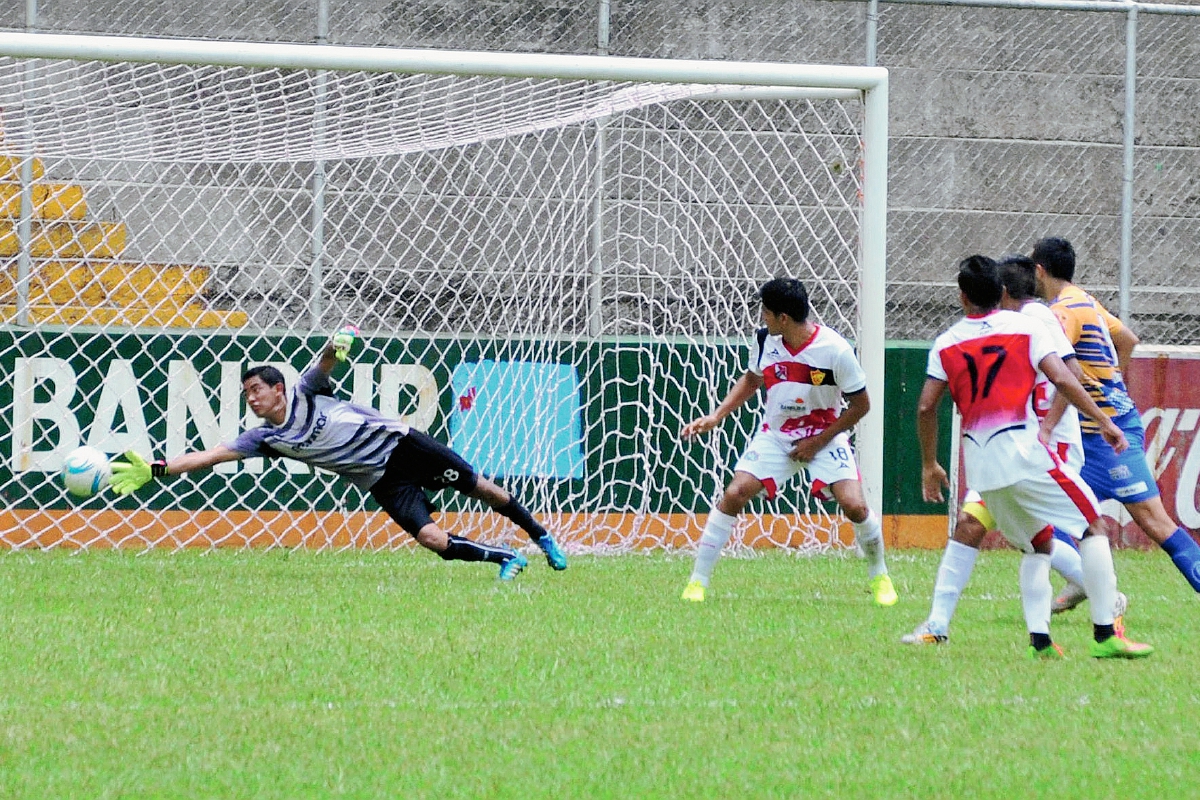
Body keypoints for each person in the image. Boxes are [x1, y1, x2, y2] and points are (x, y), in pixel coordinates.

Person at [108, 325, 568, 580]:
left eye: (255, 390)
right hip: (381, 480)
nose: (251, 398)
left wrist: (340, 339)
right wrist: (158, 468)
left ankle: (541, 536)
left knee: (482, 488)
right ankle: (505, 559)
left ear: (278, 389)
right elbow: (209, 456)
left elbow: (325, 358)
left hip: (402, 445)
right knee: (433, 541)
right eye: (246, 393)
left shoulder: (308, 390)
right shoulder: (264, 438)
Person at [919, 254, 1151, 659]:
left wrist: (929, 463)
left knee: (1036, 544)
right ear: (1000, 291)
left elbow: (925, 407)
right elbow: (1065, 376)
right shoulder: (1028, 325)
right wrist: (1105, 421)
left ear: (962, 296)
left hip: (981, 463)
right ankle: (1105, 633)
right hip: (1029, 450)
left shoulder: (947, 341)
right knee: (1093, 526)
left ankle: (1039, 642)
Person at [679, 277, 898, 606]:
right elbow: (753, 379)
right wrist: (716, 416)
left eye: (766, 312)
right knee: (735, 493)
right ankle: (698, 582)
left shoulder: (835, 350)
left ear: (784, 318)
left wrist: (818, 442)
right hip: (777, 436)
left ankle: (879, 575)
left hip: (825, 435)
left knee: (855, 506)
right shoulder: (766, 340)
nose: (762, 317)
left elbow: (861, 405)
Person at [1033, 236, 1200, 597]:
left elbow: (1067, 374)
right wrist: (1111, 384)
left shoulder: (1062, 311)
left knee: (1154, 521)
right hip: (1098, 432)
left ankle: (1085, 580)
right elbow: (1128, 339)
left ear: (1039, 271)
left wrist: (1049, 426)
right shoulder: (1085, 300)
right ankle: (1083, 580)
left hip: (1104, 437)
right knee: (1051, 517)